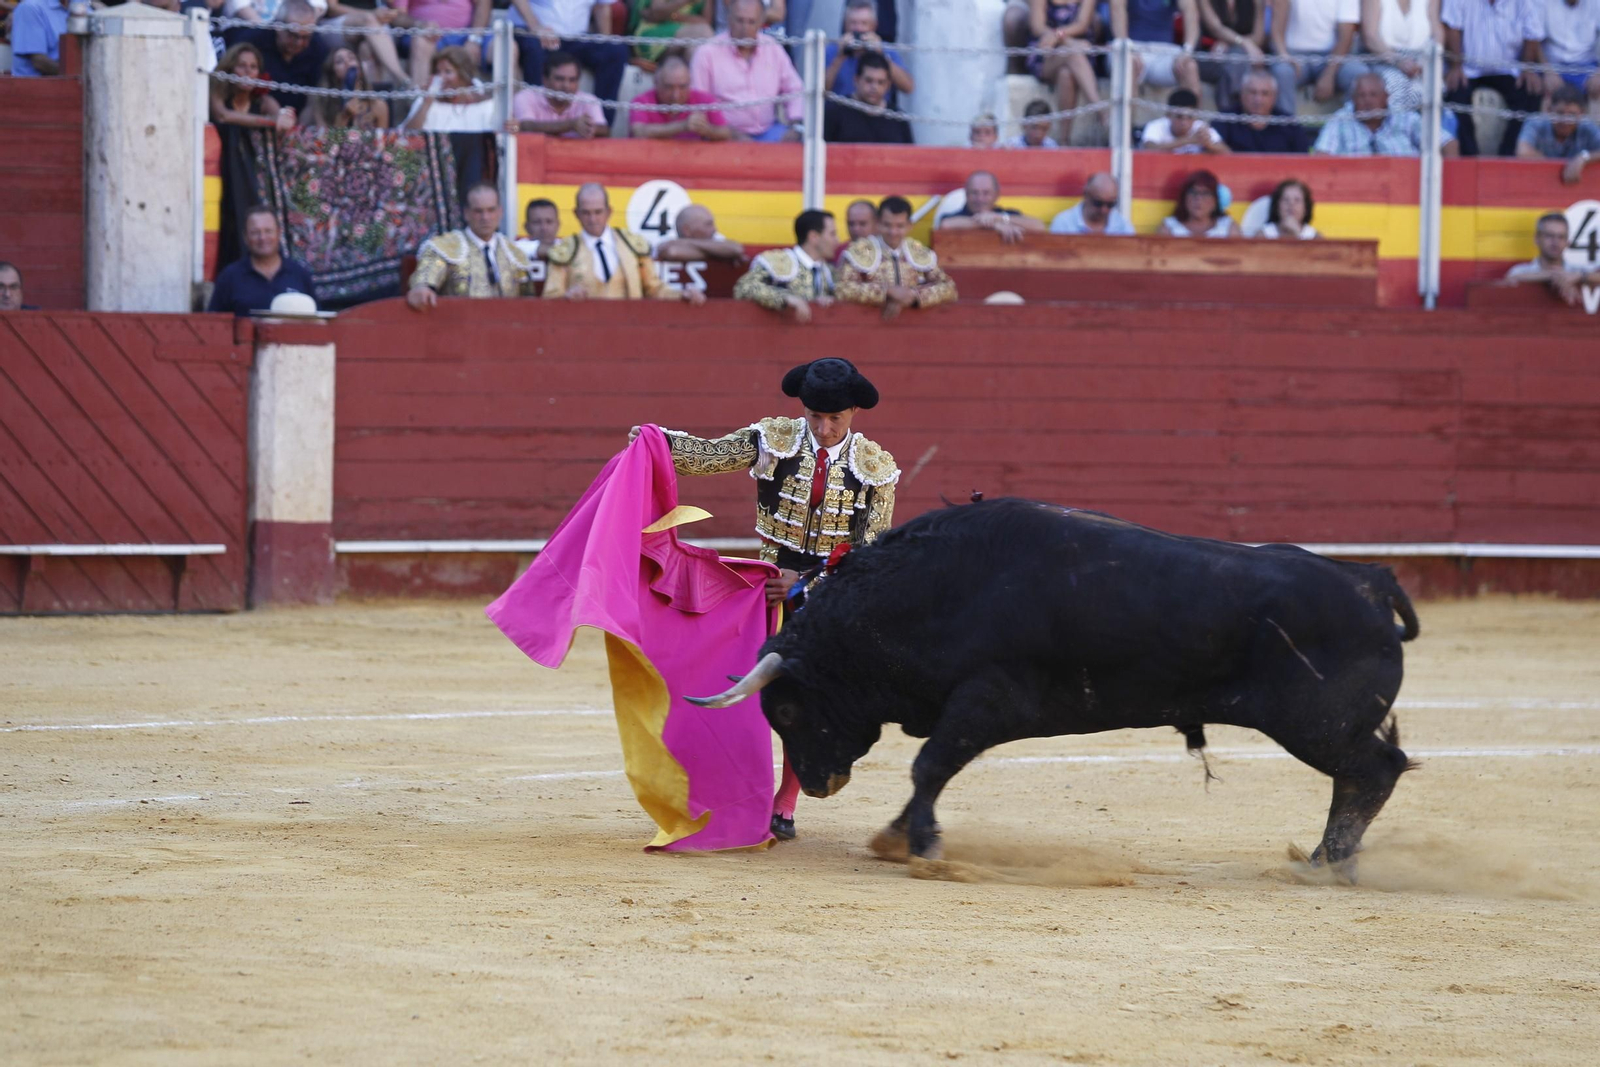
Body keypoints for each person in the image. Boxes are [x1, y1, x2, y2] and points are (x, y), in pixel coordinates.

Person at [627, 357, 899, 840]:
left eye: (834, 418)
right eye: (815, 416)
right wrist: (656, 441)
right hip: (763, 592)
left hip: (828, 597)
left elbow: (868, 555)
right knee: (729, 682)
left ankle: (785, 802)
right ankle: (726, 791)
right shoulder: (775, 439)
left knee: (808, 700)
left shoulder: (875, 469)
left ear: (855, 411)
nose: (823, 427)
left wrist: (805, 583)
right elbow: (707, 456)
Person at [544, 184, 709, 303]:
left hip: (630, 328)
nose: (593, 219)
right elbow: (550, 297)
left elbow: (654, 289)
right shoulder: (565, 251)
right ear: (576, 213)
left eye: (598, 212)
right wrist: (566, 298)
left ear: (609, 211)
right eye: (586, 213)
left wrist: (681, 295)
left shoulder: (631, 245)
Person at [407, 184, 538, 310]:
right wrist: (422, 287)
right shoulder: (446, 246)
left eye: (491, 210)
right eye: (478, 211)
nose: (485, 217)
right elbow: (427, 274)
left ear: (500, 212)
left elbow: (528, 303)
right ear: (466, 213)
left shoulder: (515, 254)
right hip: (457, 328)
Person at [690, 0, 805, 142]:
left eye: (751, 22)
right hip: (724, 136)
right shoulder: (707, 53)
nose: (745, 28)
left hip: (770, 132)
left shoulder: (773, 48)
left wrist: (796, 125)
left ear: (761, 22)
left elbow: (794, 89)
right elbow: (699, 103)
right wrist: (726, 133)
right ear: (729, 19)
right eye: (740, 20)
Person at [1443, 0, 1546, 156]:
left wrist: (1527, 68)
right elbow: (1452, 28)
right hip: (1469, 68)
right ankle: (1469, 158)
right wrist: (1455, 66)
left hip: (1508, 68)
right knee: (1455, 91)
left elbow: (1533, 33)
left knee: (1531, 92)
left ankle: (1509, 155)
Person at [838, 196, 959, 318]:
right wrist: (888, 292)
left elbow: (948, 288)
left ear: (909, 226)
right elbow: (842, 288)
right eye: (887, 225)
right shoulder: (859, 251)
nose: (893, 232)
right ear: (878, 223)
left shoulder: (918, 252)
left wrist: (913, 295)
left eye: (899, 226)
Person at [221, 0, 332, 114]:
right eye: (293, 35)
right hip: (254, 115)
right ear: (278, 27)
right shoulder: (252, 42)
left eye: (306, 37)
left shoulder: (318, 47)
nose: (299, 42)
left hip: (301, 119)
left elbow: (316, 97)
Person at [511, 0, 629, 105]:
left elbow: (602, 6)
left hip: (576, 38)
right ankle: (532, 118)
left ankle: (600, 124)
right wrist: (535, 27)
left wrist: (604, 40)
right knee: (534, 48)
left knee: (615, 50)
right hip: (533, 33)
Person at [207, 206, 319, 316]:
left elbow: (318, 323)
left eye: (268, 231)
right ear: (245, 237)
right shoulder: (229, 277)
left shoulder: (300, 275)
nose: (262, 238)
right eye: (255, 232)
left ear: (279, 233)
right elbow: (215, 326)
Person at [1312, 71, 1460, 154]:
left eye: (1373, 95)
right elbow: (1321, 155)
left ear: (1386, 97)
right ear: (1353, 99)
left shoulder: (1405, 116)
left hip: (1407, 189)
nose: (1368, 101)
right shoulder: (1340, 120)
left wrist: (1447, 183)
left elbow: (1448, 143)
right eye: (1362, 95)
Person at [732, 209, 838, 321]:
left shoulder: (830, 272)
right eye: (832, 234)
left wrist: (832, 300)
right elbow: (744, 287)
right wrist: (785, 298)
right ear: (814, 237)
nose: (837, 240)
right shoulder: (779, 261)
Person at [1269, 0, 1371, 109]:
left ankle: (1351, 124)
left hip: (1332, 56)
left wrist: (1329, 75)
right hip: (1293, 54)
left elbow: (1346, 37)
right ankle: (1286, 123)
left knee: (1358, 73)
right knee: (1283, 72)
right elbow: (1276, 27)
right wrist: (1284, 55)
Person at [1026, 0, 1101, 143]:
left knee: (1066, 74)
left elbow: (1082, 25)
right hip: (1046, 54)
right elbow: (1037, 26)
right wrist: (1065, 41)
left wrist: (1059, 37)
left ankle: (1064, 140)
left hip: (1079, 56)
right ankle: (1100, 110)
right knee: (1072, 53)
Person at [825, 0, 914, 109]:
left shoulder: (885, 49)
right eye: (853, 23)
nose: (858, 29)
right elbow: (821, 92)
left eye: (864, 23)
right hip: (840, 116)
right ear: (845, 25)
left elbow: (908, 87)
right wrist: (840, 57)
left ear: (874, 26)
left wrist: (881, 54)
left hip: (877, 115)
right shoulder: (833, 49)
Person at [507, 50, 609, 138]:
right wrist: (571, 125)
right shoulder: (525, 97)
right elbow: (525, 127)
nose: (566, 85)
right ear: (545, 80)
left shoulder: (588, 100)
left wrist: (590, 127)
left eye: (572, 80)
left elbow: (605, 130)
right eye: (560, 79)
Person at [1361, 0, 1443, 109]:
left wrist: (1424, 62)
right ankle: (1398, 124)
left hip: (1421, 60)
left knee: (1435, 87)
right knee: (1396, 86)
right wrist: (1398, 60)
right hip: (1385, 59)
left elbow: (1438, 34)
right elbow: (1370, 37)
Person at [628, 54, 732, 141]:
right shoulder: (642, 101)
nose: (675, 95)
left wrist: (707, 129)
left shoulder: (704, 100)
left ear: (690, 82)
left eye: (682, 87)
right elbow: (638, 132)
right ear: (656, 82)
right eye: (668, 87)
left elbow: (725, 133)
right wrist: (682, 126)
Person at [1503, 211, 1600, 302]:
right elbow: (1511, 279)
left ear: (1568, 242)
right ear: (1537, 239)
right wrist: (1552, 276)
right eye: (1549, 236)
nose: (1555, 242)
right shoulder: (1521, 271)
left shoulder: (1577, 271)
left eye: (1561, 237)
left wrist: (1581, 276)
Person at [1111, 0, 1204, 94]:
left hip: (1164, 51)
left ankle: (1189, 108)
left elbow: (1191, 12)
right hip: (1131, 47)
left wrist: (1187, 50)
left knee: (1189, 67)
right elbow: (1116, 9)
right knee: (1127, 64)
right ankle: (1128, 109)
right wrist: (1126, 47)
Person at [822, 53, 914, 144]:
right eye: (869, 80)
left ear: (888, 85)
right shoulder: (834, 112)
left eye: (880, 82)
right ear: (856, 80)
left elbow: (910, 155)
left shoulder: (898, 118)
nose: (874, 87)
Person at [1516, 84, 1600, 181]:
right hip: (1539, 183)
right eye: (1560, 113)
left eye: (1571, 115)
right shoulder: (1536, 122)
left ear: (1581, 114)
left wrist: (1582, 158)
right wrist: (1558, 170)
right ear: (1549, 110)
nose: (1565, 120)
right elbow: (1523, 152)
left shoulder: (1587, 126)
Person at [1198, 0, 1270, 113]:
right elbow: (1215, 27)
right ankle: (1237, 110)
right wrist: (1243, 42)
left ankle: (1229, 113)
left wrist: (1230, 42)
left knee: (1237, 55)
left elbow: (1258, 36)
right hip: (1211, 54)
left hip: (1243, 54)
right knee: (1236, 59)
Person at [1221, 68, 1315, 152]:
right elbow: (1213, 146)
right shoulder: (1226, 119)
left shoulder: (1289, 124)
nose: (1258, 99)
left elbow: (1304, 160)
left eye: (1265, 93)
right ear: (1242, 93)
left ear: (1275, 96)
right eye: (1252, 92)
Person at [937, 171, 1045, 244]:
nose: (980, 198)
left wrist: (998, 218)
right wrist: (995, 225)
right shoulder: (953, 217)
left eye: (986, 193)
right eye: (974, 193)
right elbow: (945, 225)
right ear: (966, 194)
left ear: (996, 195)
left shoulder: (1007, 214)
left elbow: (1039, 226)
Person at [405, 46, 498, 131]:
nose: (441, 78)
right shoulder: (426, 102)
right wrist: (427, 103)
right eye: (437, 72)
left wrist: (513, 127)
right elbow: (408, 137)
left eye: (448, 72)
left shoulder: (487, 106)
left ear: (464, 75)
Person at [211, 43, 297, 130]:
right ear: (230, 69)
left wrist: (286, 116)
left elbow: (280, 117)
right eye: (241, 65)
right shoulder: (218, 92)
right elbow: (222, 116)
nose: (248, 71)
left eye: (253, 67)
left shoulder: (264, 101)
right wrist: (271, 121)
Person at [313, 46, 391, 129]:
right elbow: (328, 141)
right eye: (340, 61)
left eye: (351, 58)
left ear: (360, 69)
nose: (347, 62)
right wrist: (344, 116)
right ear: (332, 73)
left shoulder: (378, 105)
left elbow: (381, 140)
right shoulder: (322, 104)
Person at [1542, 0, 1600, 103]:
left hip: (1587, 64)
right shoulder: (1544, 3)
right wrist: (1547, 71)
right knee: (1545, 97)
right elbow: (1534, 39)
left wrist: (1599, 73)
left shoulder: (1596, 3)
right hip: (1552, 64)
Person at [1139, 88, 1231, 153]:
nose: (1184, 122)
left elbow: (1228, 153)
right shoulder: (1156, 126)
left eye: (1190, 117)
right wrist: (1188, 140)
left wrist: (1209, 145)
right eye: (1179, 117)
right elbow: (1149, 149)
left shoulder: (1201, 128)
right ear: (1169, 115)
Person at [1048, 172, 1138, 233]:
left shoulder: (1122, 225)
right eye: (1098, 203)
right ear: (1086, 196)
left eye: (1110, 204)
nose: (1104, 210)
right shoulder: (1064, 223)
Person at [654, 204, 747, 262]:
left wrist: (686, 242)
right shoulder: (667, 241)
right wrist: (720, 255)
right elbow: (673, 252)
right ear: (687, 231)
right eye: (708, 225)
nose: (714, 229)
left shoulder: (715, 238)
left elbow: (736, 249)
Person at [1161, 169, 1240, 236]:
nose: (1198, 199)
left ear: (1215, 200)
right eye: (1193, 192)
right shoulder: (1169, 227)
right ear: (1184, 197)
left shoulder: (1228, 228)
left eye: (1205, 193)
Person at [631, 0, 713, 63]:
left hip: (689, 34)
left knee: (693, 50)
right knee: (703, 32)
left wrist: (674, 16)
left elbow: (705, 21)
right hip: (655, 31)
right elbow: (657, 12)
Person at [9, 0, 68, 77]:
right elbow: (39, 62)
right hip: (39, 85)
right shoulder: (31, 7)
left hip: (71, 82)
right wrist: (78, 74)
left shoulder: (81, 7)